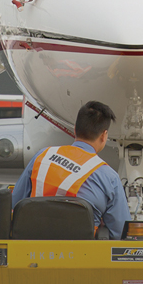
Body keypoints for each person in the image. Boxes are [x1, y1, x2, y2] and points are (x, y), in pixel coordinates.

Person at [12, 100, 130, 238]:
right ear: (104, 136)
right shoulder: (109, 177)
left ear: (75, 129)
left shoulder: (42, 156)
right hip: (83, 255)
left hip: (32, 251)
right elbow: (121, 234)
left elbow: (14, 205)